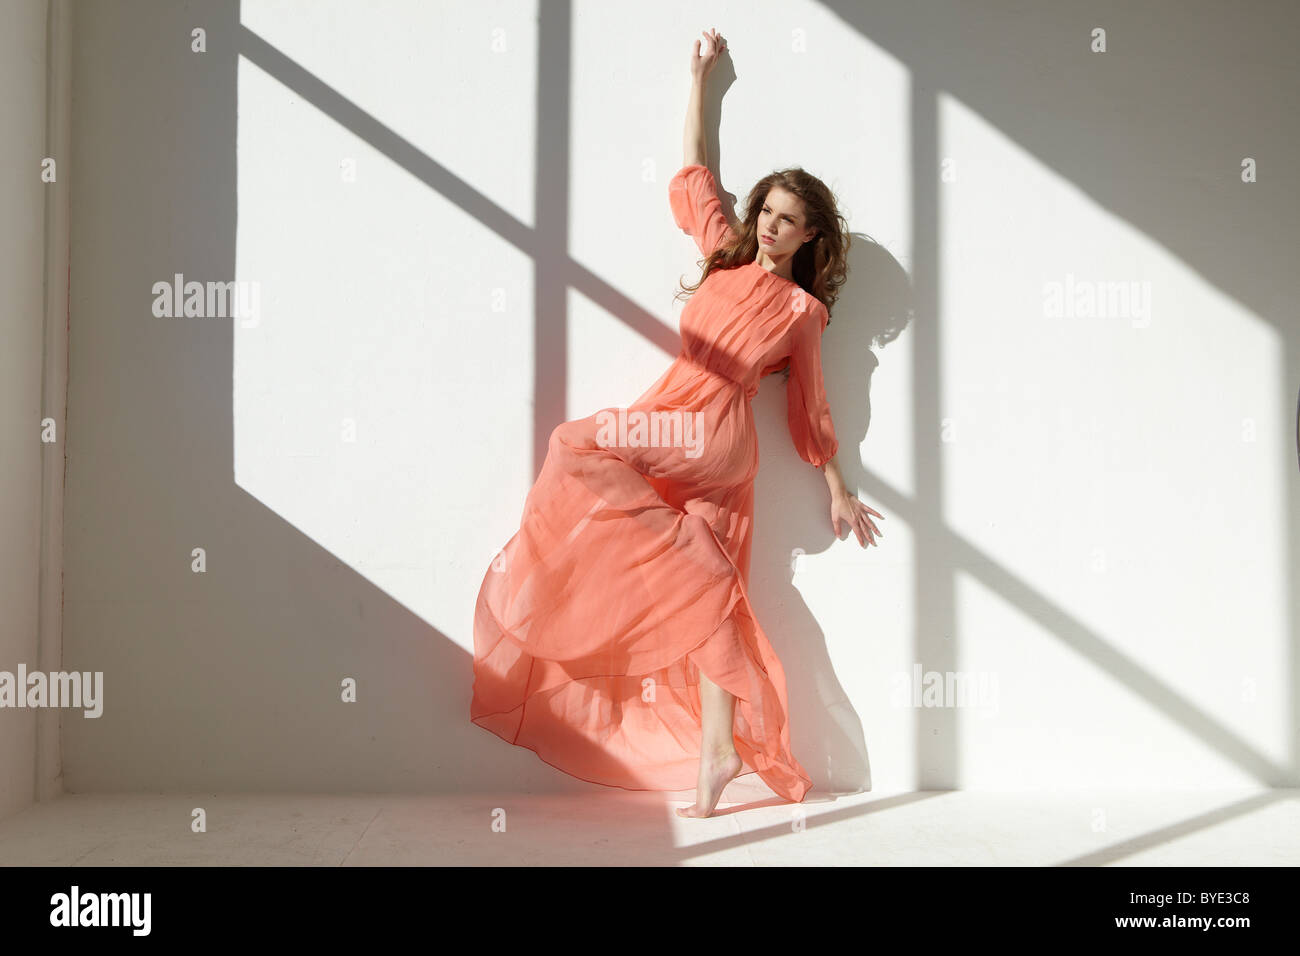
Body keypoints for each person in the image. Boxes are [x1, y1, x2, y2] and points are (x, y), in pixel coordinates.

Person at [471, 27, 883, 818]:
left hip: (705, 433)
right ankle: (720, 752)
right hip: (690, 430)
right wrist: (699, 77)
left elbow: (812, 408)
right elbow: (695, 171)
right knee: (711, 597)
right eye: (767, 210)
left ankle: (689, 601)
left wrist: (836, 486)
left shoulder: (802, 311)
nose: (769, 225)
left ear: (810, 237)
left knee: (572, 443)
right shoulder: (725, 251)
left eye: (788, 220)